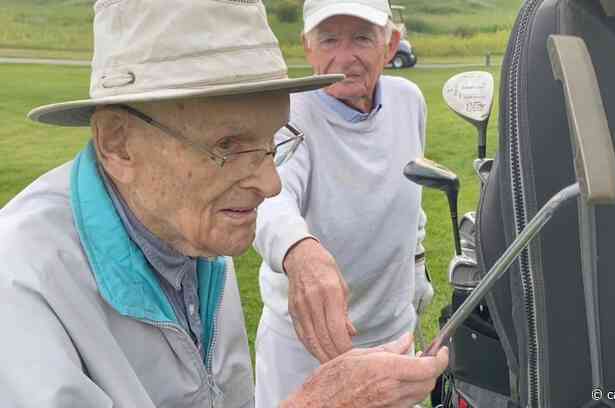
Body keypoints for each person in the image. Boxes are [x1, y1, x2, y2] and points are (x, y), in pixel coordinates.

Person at [0, 1, 448, 407]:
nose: (271, 184)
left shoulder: (195, 241)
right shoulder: (20, 287)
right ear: (118, 142)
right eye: (228, 145)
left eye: (272, 143)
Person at [253, 0, 435, 405]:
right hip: (305, 349)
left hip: (394, 335)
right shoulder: (286, 114)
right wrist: (300, 252)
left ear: (390, 45)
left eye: (361, 39)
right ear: (307, 47)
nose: (344, 57)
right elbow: (270, 198)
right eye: (329, 39)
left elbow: (410, 193)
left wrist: (418, 262)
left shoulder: (409, 100)